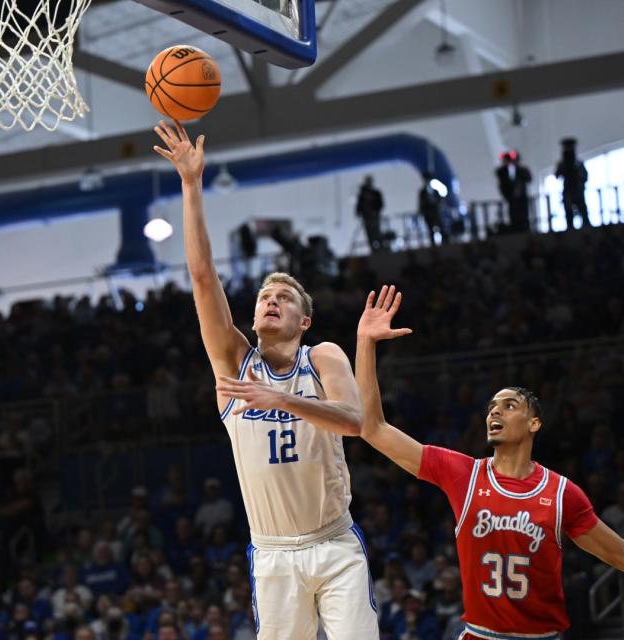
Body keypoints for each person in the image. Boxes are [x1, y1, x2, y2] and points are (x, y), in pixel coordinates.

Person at [353, 285, 624, 640]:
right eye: (491, 407)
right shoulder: (463, 474)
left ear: (535, 423)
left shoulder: (560, 494)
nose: (495, 412)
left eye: (509, 406)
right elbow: (374, 429)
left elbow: (623, 554)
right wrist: (365, 343)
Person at [152, 120, 378, 639]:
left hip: (335, 542)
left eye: (285, 298)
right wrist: (191, 186)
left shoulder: (322, 357)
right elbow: (203, 276)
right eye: (263, 298)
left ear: (304, 321)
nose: (271, 301)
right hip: (274, 552)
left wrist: (278, 397)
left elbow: (355, 420)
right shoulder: (234, 364)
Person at [555, 137, 591, 230]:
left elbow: (585, 176)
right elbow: (557, 175)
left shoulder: (578, 163)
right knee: (569, 213)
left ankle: (586, 227)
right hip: (568, 190)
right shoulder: (563, 164)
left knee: (583, 211)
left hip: (577, 189)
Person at [495, 151, 533, 233]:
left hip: (521, 198)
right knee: (514, 215)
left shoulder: (521, 170)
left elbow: (528, 179)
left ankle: (524, 228)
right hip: (511, 198)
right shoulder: (503, 171)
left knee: (523, 215)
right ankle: (517, 228)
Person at [356, 176, 386, 252]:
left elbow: (380, 204)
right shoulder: (362, 196)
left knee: (377, 233)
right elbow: (359, 207)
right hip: (367, 218)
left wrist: (375, 210)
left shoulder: (376, 193)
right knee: (370, 235)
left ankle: (380, 248)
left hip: (374, 217)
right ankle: (374, 250)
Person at [418, 172, 445, 246]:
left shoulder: (435, 191)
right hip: (427, 212)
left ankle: (444, 242)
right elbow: (421, 203)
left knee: (440, 227)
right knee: (430, 229)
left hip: (435, 211)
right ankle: (433, 244)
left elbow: (440, 200)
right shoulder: (422, 192)